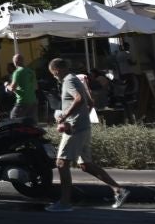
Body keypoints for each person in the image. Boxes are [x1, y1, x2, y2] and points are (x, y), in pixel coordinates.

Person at [47, 57, 127, 212]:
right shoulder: (75, 79)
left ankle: (64, 203)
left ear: (56, 70)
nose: (54, 76)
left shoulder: (68, 81)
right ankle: (119, 190)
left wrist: (65, 117)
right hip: (82, 126)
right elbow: (90, 102)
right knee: (85, 165)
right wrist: (82, 118)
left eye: (53, 73)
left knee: (61, 163)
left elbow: (79, 99)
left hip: (74, 128)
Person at [4, 53, 39, 124]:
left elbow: (12, 89)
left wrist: (6, 85)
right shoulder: (31, 71)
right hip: (33, 101)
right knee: (31, 124)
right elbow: (36, 87)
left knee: (14, 120)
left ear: (15, 62)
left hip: (22, 102)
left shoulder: (17, 72)